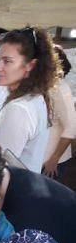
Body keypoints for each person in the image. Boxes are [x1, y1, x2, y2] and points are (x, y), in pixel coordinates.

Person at [0, 27, 56, 173]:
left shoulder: (19, 108)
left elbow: (1, 169)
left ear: (30, 65)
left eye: (7, 61)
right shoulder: (37, 99)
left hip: (10, 193)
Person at [43, 44, 75, 183]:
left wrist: (54, 159)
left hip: (53, 164)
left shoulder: (60, 90)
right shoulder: (46, 88)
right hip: (42, 160)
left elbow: (71, 128)